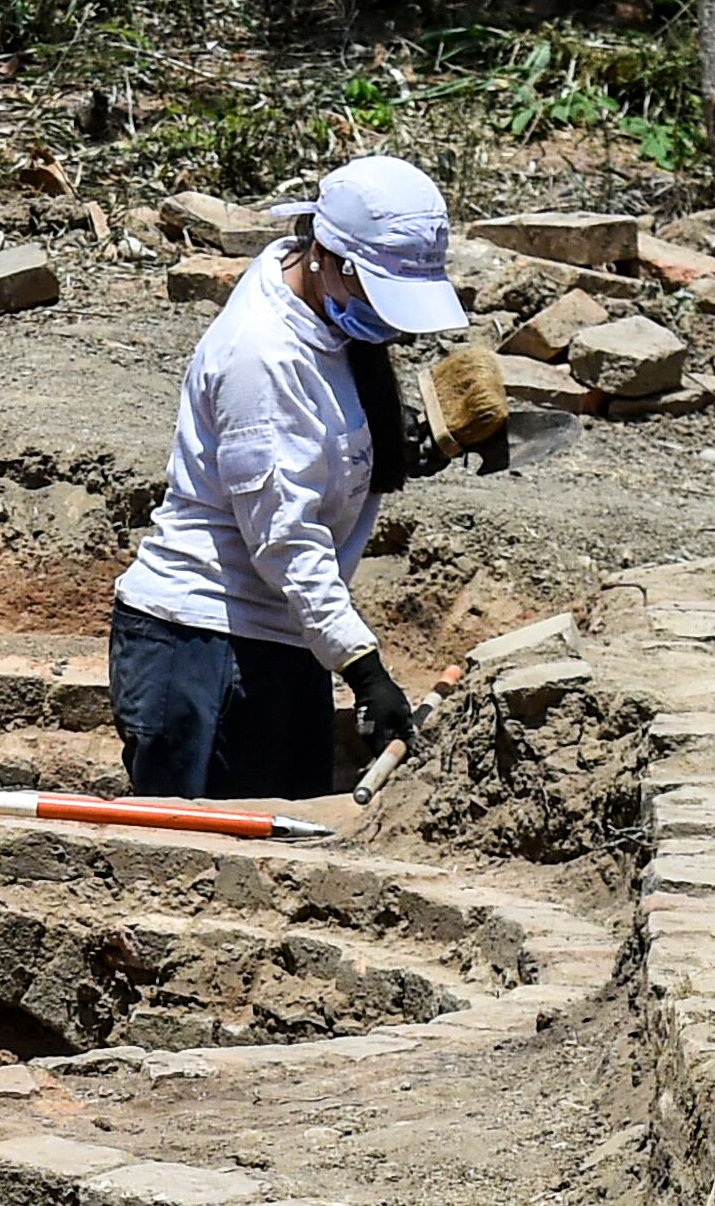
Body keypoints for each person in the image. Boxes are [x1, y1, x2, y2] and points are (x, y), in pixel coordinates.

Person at [110, 151, 470, 802]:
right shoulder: (262, 354)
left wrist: (408, 449)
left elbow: (323, 433)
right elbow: (284, 536)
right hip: (202, 649)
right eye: (376, 295)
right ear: (327, 256)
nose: (387, 324)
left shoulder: (313, 298)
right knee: (203, 871)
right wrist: (363, 668)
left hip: (281, 641)